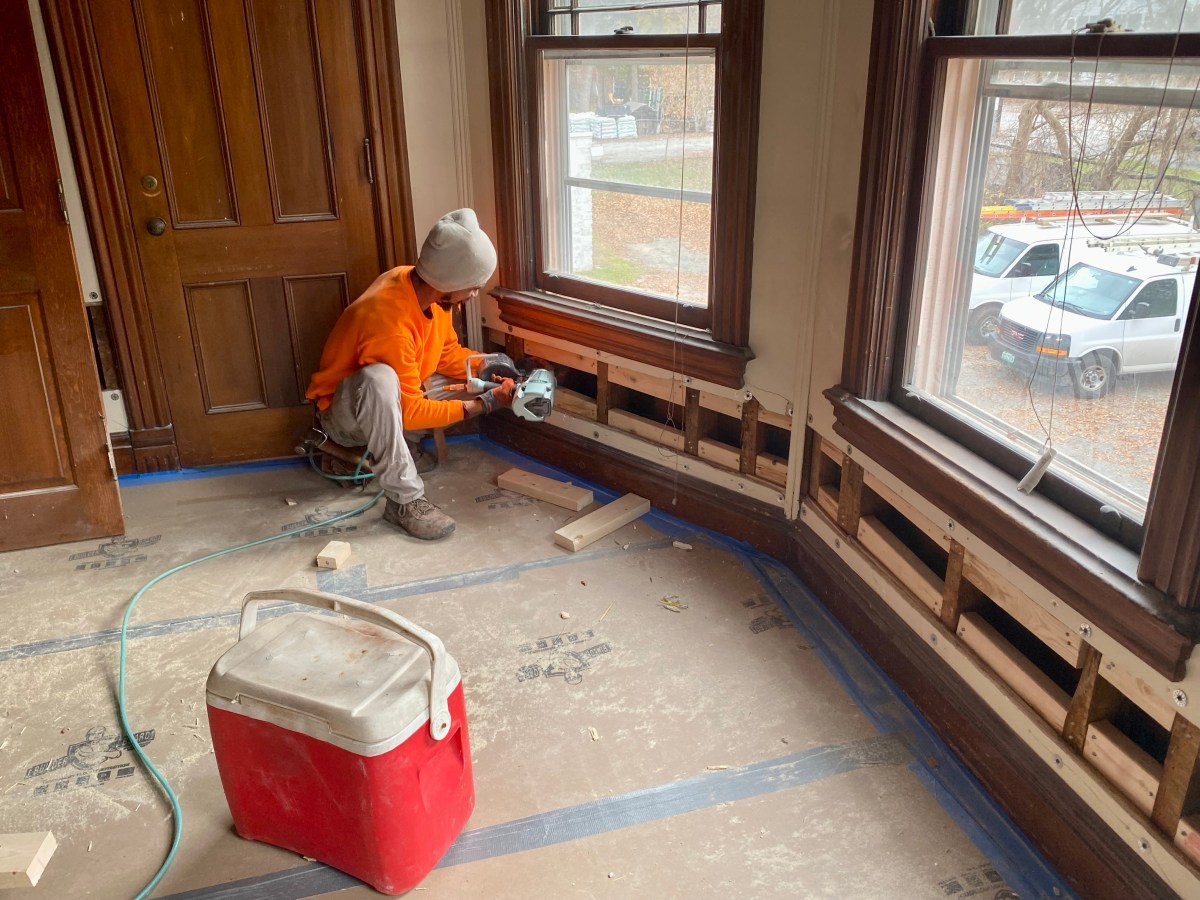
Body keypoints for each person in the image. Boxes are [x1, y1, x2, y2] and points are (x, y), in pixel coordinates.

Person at [306, 208, 514, 540]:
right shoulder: (388, 321)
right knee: (380, 380)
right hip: (344, 417)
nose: (475, 293)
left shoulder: (429, 293)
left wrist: (489, 366)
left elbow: (445, 354)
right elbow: (409, 409)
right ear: (450, 282)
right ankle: (404, 501)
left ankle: (396, 447)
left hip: (396, 397)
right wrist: (483, 405)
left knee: (455, 381)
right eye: (473, 286)